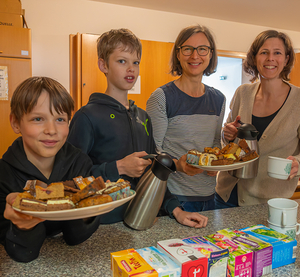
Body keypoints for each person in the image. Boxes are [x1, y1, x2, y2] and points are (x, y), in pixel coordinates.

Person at [67, 28, 208, 228]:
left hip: (142, 220)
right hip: (100, 226)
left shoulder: (143, 117)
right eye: (122, 61)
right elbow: (71, 180)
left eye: (136, 62)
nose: (131, 69)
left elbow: (154, 173)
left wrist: (176, 210)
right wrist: (118, 167)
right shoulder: (87, 117)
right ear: (103, 65)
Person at [0, 77, 101, 262]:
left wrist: (90, 206)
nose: (51, 130)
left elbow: (76, 238)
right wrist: (24, 227)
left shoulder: (80, 163)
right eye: (38, 119)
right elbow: (21, 254)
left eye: (60, 119)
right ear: (15, 123)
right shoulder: (4, 175)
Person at [215, 30, 300, 208]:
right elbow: (226, 142)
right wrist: (227, 135)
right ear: (254, 58)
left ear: (286, 59)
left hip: (269, 201)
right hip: (226, 194)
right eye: (264, 52)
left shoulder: (298, 100)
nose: (270, 58)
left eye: (277, 52)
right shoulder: (242, 93)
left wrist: (297, 163)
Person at [146, 25, 226, 212]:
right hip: (173, 199)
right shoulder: (162, 97)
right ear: (178, 54)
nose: (195, 56)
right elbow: (151, 151)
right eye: (188, 49)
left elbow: (214, 143)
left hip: (209, 196)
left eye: (202, 49)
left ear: (211, 54)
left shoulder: (219, 99)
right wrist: (179, 165)